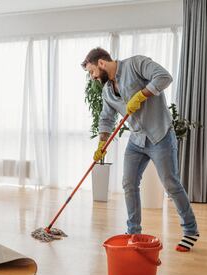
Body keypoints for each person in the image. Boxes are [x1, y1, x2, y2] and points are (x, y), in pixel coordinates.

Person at [81, 47, 199, 252]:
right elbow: (107, 119)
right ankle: (133, 231)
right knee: (129, 183)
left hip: (159, 135)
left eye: (91, 72)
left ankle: (190, 230)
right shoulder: (108, 90)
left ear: (101, 63)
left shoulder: (135, 64)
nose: (92, 77)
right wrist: (102, 143)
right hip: (136, 140)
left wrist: (142, 95)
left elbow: (164, 77)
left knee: (171, 184)